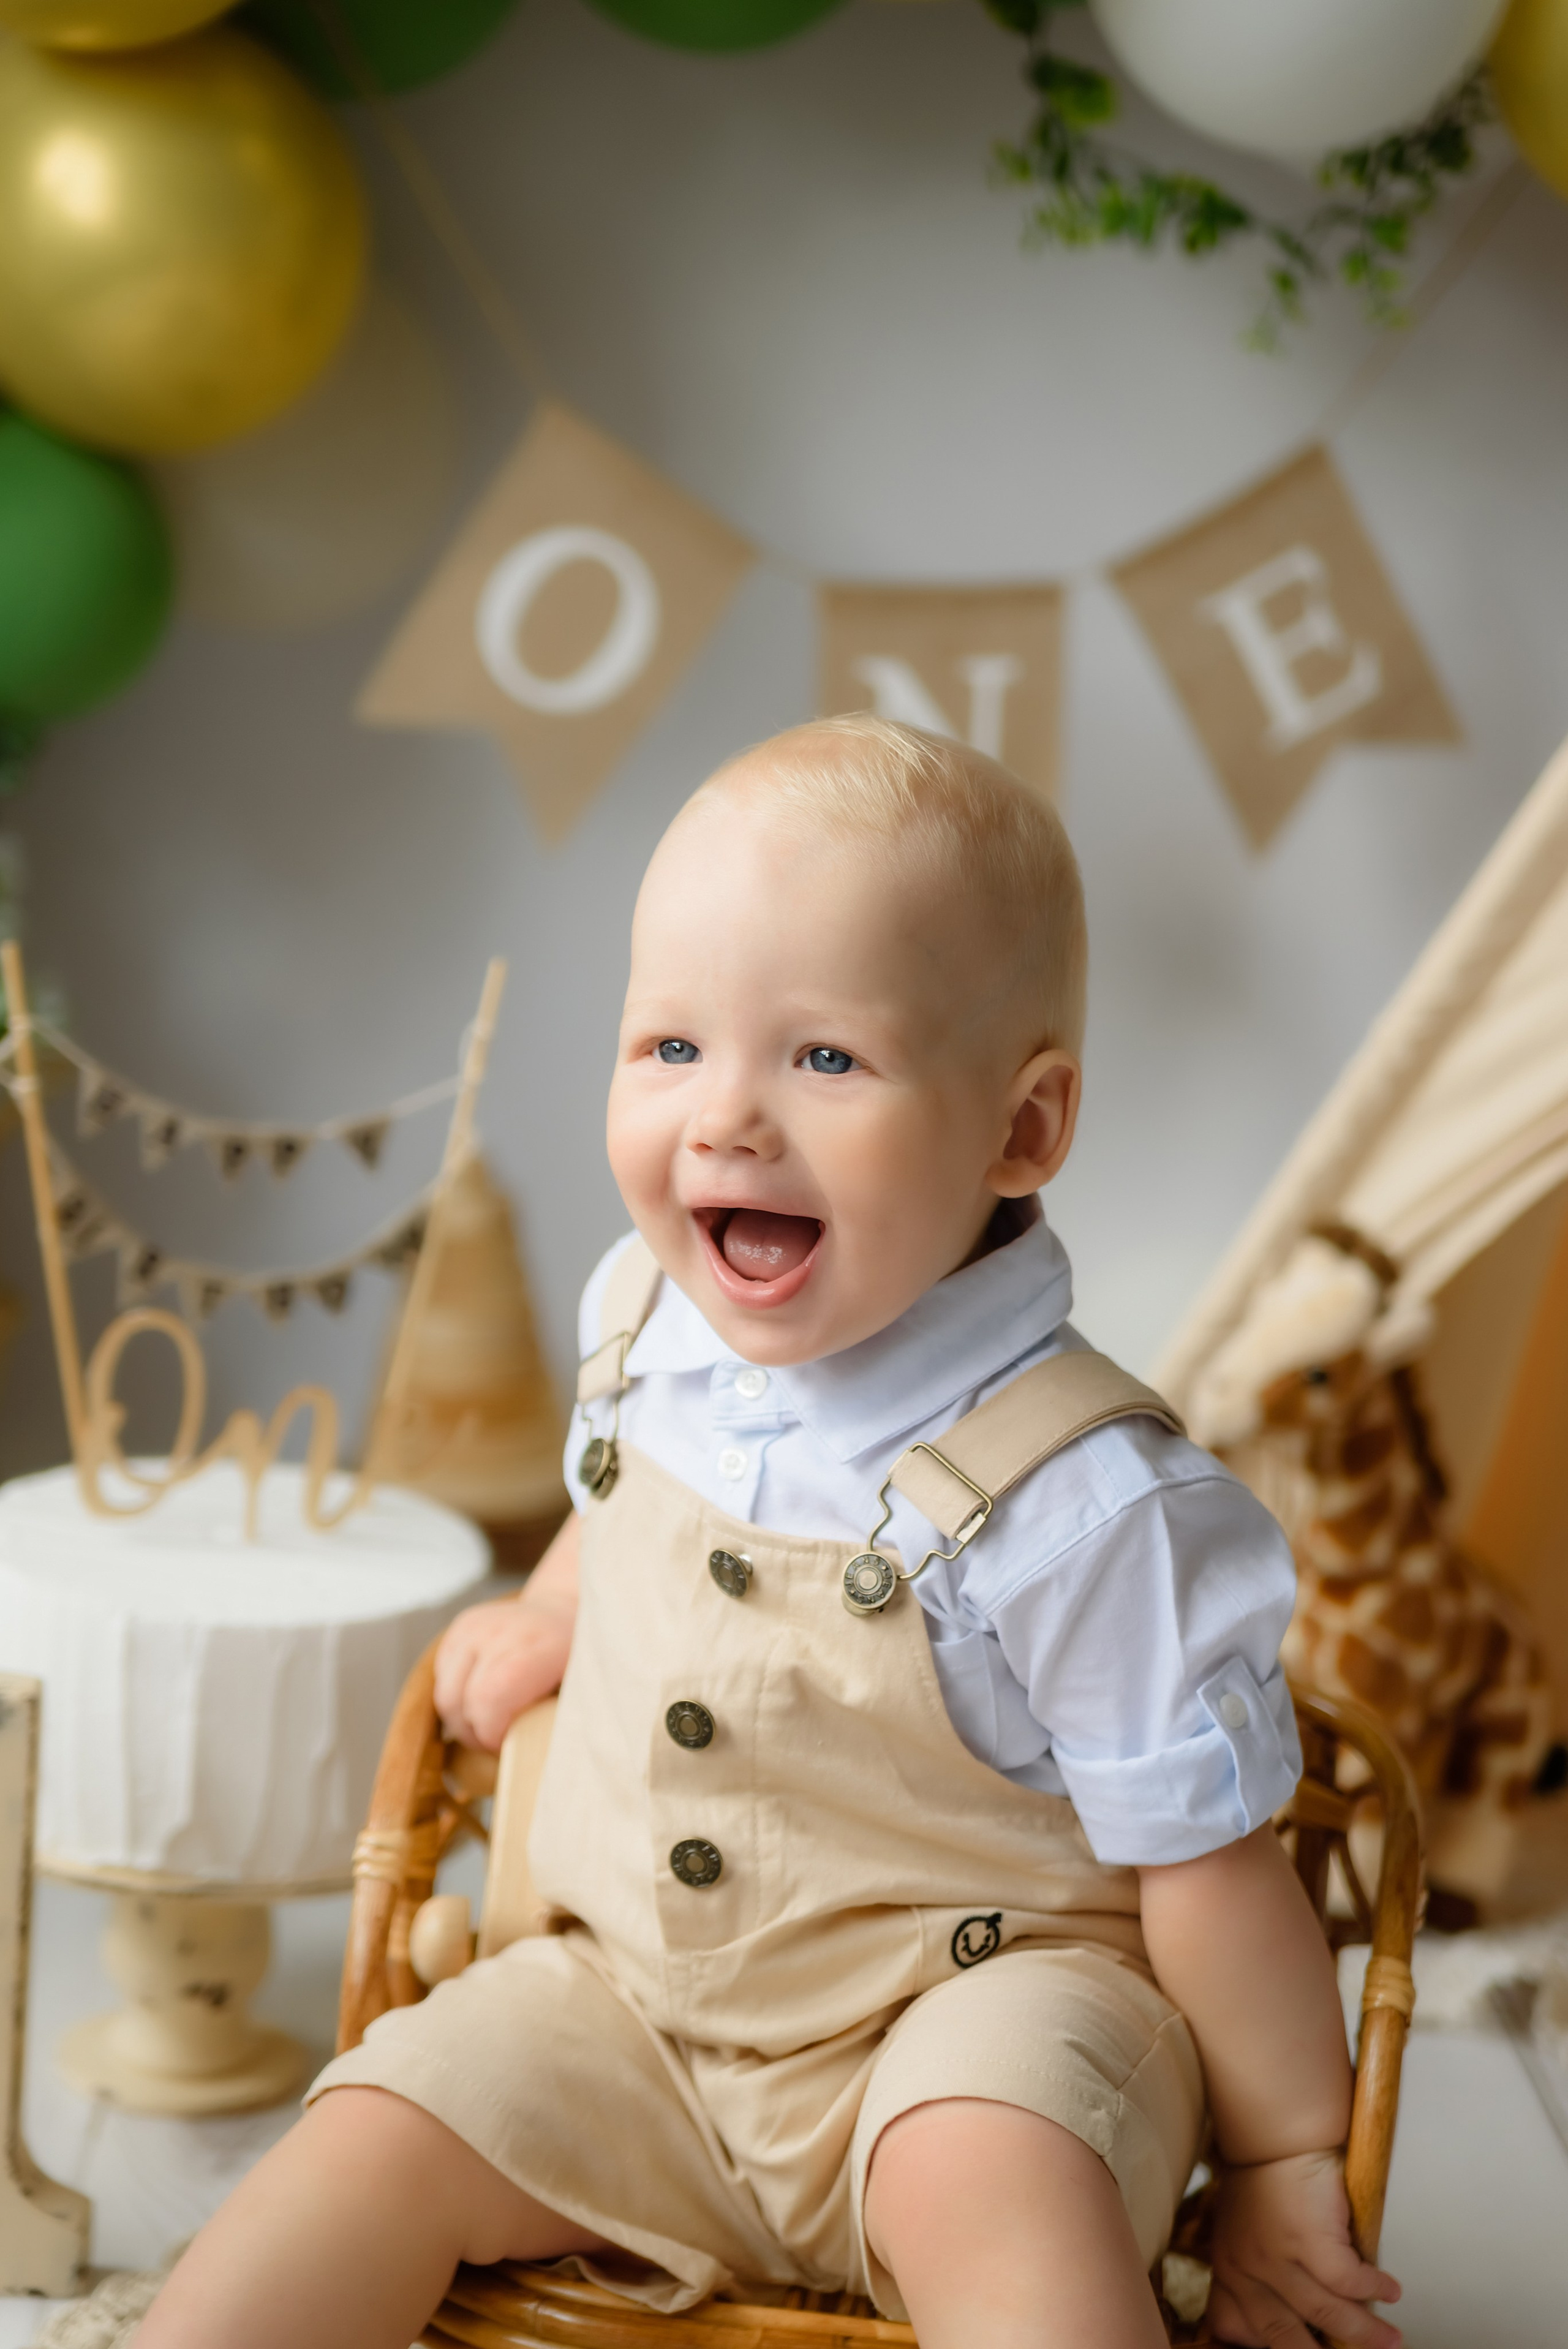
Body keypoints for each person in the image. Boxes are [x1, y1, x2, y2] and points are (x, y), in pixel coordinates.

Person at [138, 717, 1401, 2349]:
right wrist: (561, 1602)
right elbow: (628, 1494)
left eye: (824, 1058)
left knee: (997, 2181)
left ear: (1022, 1130)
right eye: (670, 1046)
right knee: (375, 2123)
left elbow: (1211, 1866)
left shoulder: (1087, 1498)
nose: (724, 1117)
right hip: (631, 2006)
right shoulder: (643, 1315)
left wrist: (1288, 2158)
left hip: (970, 2016)